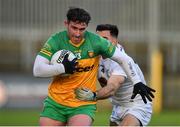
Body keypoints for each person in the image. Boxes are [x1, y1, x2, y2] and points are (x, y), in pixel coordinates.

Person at [33, 7, 154, 126]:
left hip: (85, 104)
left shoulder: (98, 44)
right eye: (74, 28)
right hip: (56, 102)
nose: (77, 33)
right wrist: (62, 68)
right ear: (66, 24)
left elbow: (114, 83)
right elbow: (37, 70)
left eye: (82, 29)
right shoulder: (56, 40)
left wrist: (137, 81)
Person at [75, 24, 155, 126]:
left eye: (104, 39)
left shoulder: (120, 61)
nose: (99, 42)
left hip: (136, 106)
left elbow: (112, 88)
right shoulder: (96, 56)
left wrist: (92, 95)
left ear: (115, 41)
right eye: (97, 39)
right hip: (118, 105)